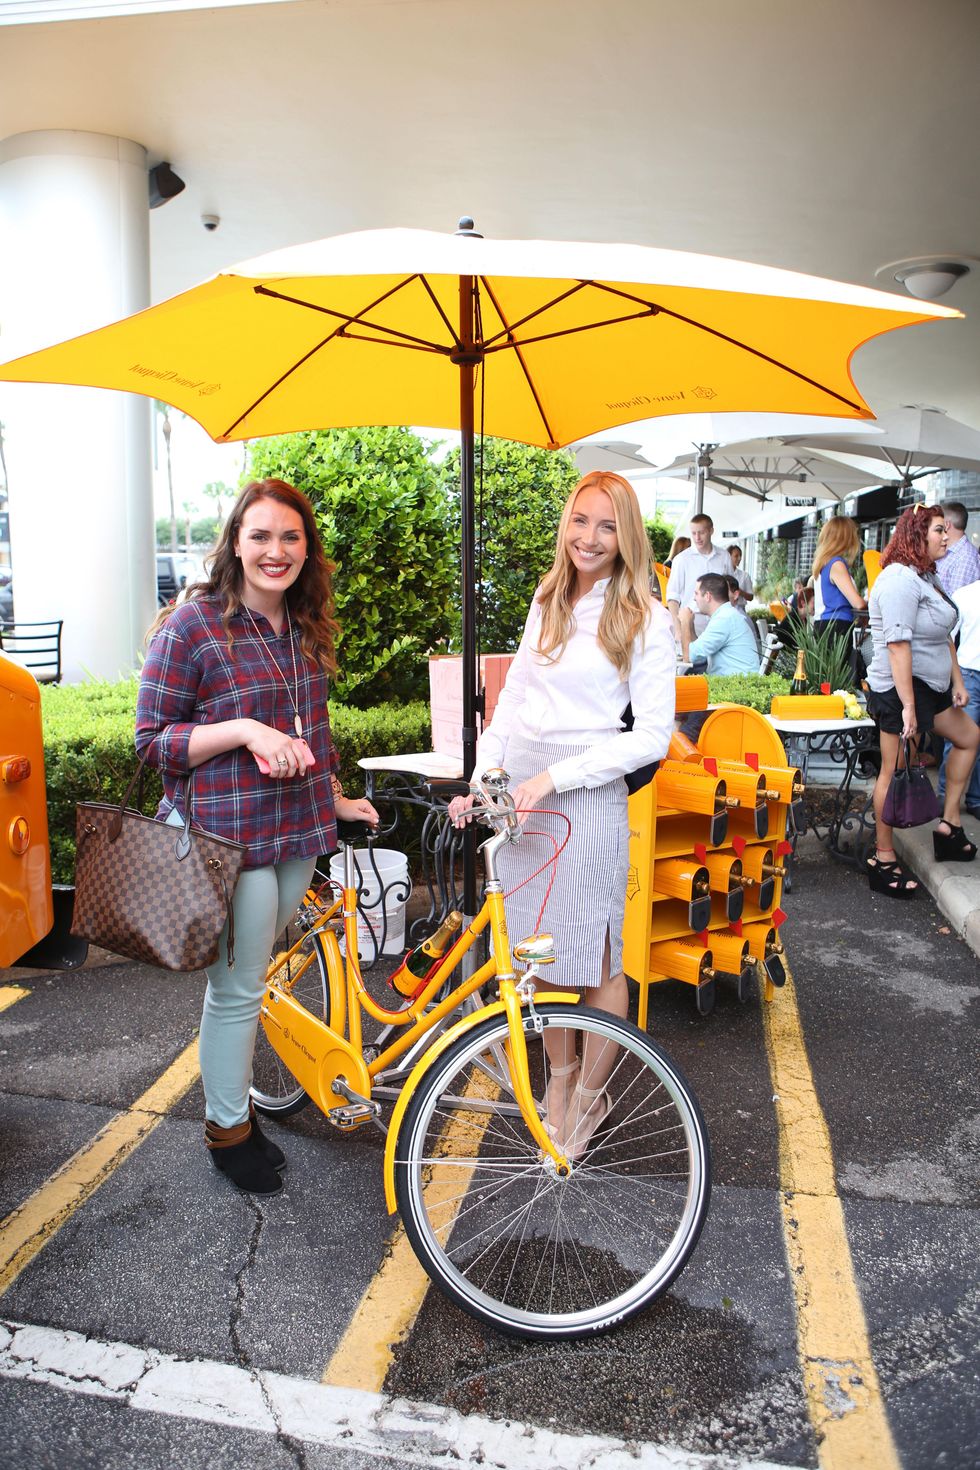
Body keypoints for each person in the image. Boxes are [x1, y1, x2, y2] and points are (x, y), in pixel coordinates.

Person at [136, 479, 379, 1196]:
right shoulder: (195, 625)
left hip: (297, 830)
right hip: (227, 836)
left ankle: (236, 1109)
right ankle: (227, 1128)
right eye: (261, 536)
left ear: (308, 548)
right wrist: (244, 730)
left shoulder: (303, 624)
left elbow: (315, 727)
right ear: (235, 542)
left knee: (254, 976)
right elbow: (152, 741)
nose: (276, 551)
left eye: (291, 537)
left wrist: (338, 799)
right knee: (239, 985)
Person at [448, 471, 675, 1158]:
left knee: (599, 959)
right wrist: (486, 773)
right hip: (523, 793)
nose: (590, 538)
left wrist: (554, 775)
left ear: (627, 535)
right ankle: (560, 1076)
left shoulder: (646, 617)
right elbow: (514, 696)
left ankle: (589, 1096)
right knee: (537, 953)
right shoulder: (547, 596)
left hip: (582, 791)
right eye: (581, 520)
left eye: (607, 526)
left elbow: (651, 738)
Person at [864, 505, 980, 896]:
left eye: (946, 531)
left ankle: (948, 825)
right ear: (917, 534)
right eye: (938, 531)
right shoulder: (898, 579)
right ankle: (882, 859)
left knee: (969, 737)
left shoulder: (926, 576)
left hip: (931, 689)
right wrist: (909, 708)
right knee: (894, 771)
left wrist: (957, 681)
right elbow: (898, 645)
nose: (946, 537)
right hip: (899, 692)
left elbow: (945, 633)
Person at [938, 576, 980, 820]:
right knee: (958, 739)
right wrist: (955, 680)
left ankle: (975, 799)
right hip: (968, 672)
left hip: (967, 671)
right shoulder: (964, 594)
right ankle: (945, 797)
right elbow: (948, 637)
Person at [665, 514, 734, 658]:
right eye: (693, 533)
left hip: (718, 624)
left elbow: (730, 591)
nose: (697, 538)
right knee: (691, 668)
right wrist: (678, 629)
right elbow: (672, 597)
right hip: (691, 623)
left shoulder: (724, 556)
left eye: (701, 532)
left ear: (711, 531)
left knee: (717, 669)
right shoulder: (681, 559)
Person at [811, 515, 867, 653]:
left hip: (826, 626)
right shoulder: (836, 564)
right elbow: (858, 603)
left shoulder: (824, 563)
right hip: (837, 627)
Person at [688, 573, 761, 675]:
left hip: (735, 687)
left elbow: (691, 656)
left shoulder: (724, 619)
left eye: (696, 593)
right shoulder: (725, 615)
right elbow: (699, 653)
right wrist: (690, 624)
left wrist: (684, 622)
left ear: (708, 596)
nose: (694, 598)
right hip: (734, 683)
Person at [936, 501, 980, 595]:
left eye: (938, 523)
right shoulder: (946, 552)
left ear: (946, 525)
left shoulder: (966, 558)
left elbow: (956, 605)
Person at [725, 572, 762, 653]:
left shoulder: (736, 618)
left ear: (736, 595)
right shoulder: (732, 614)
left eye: (723, 592)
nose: (718, 595)